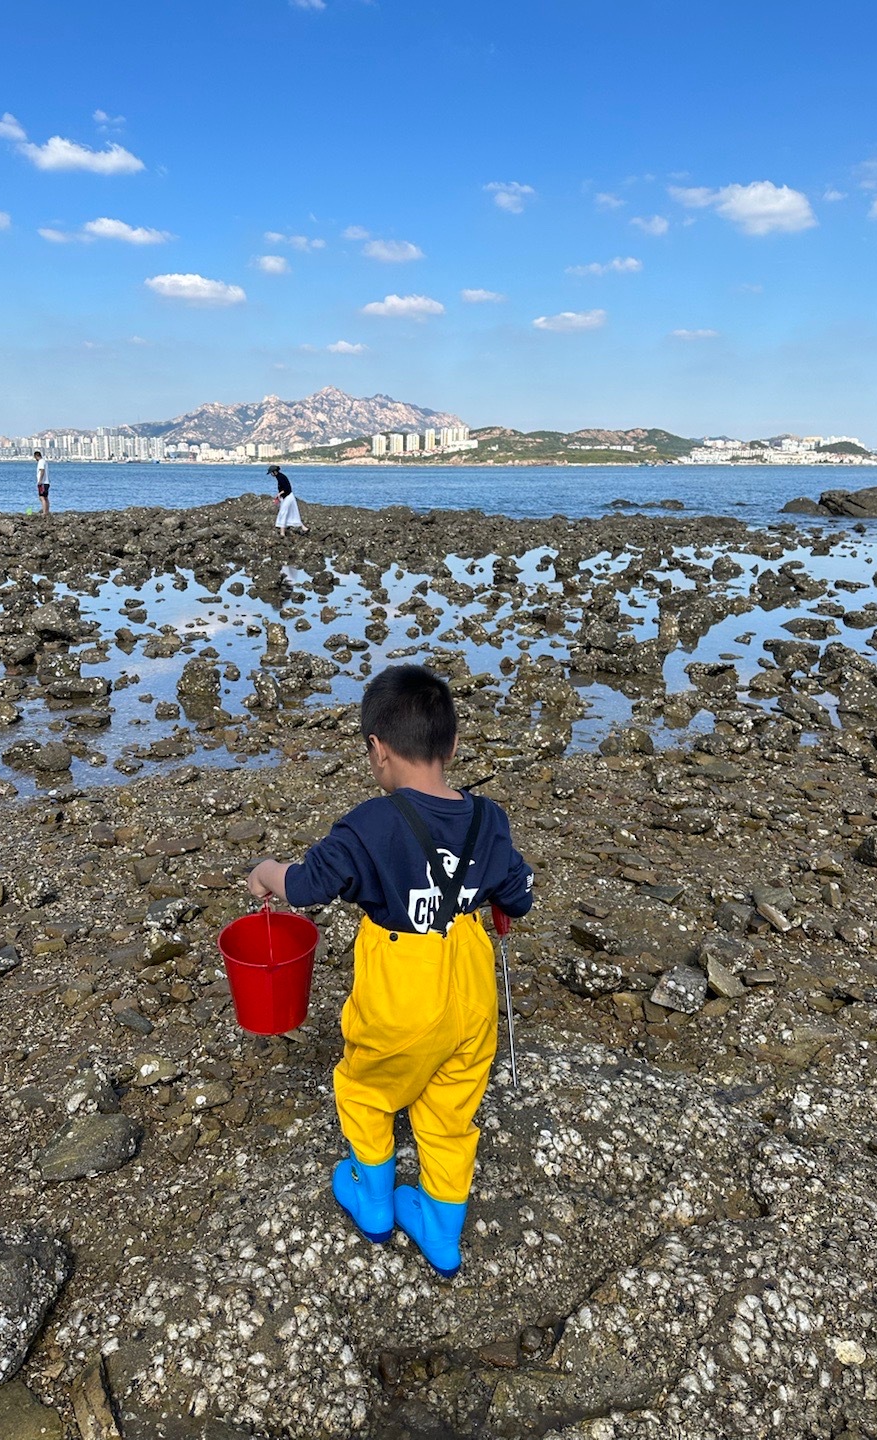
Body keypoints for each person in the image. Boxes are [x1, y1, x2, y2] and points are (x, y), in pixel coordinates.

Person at [247, 665, 533, 1277]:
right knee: (452, 1108)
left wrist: (266, 870)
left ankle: (374, 1203)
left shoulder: (370, 826)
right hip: (472, 988)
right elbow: (519, 892)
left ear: (376, 749)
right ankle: (440, 1230)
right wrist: (498, 900)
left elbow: (305, 885)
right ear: (451, 745)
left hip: (403, 989)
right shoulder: (489, 819)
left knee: (367, 1086)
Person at [268, 464, 309, 536]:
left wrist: (279, 494)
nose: (271, 474)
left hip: (288, 497)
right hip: (289, 496)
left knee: (283, 512)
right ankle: (304, 528)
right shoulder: (280, 476)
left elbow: (287, 488)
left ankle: (282, 532)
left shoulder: (281, 477)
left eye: (271, 472)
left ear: (275, 472)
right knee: (293, 512)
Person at [34, 450, 50, 515]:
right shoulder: (44, 461)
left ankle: (44, 512)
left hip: (43, 482)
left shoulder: (40, 462)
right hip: (47, 482)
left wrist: (40, 480)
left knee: (41, 497)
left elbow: (42, 471)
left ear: (36, 456)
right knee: (45, 497)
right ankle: (47, 511)